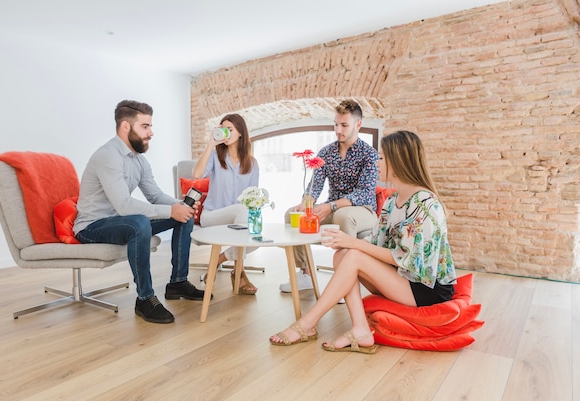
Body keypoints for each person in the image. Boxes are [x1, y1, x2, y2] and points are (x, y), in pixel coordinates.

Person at [269, 130, 456, 353]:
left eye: (382, 158)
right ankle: (360, 328)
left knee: (354, 253)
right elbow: (378, 241)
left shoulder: (425, 205)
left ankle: (307, 323)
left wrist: (354, 243)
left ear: (399, 161)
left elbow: (406, 260)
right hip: (403, 277)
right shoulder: (393, 199)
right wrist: (346, 243)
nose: (377, 163)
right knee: (342, 254)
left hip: (426, 288)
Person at [73, 99, 208, 324]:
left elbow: (155, 196)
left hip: (120, 220)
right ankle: (145, 298)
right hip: (92, 226)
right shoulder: (108, 156)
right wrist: (170, 210)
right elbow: (124, 206)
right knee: (139, 223)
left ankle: (177, 282)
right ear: (126, 126)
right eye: (145, 126)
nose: (151, 132)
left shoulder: (139, 161)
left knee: (183, 216)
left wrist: (179, 207)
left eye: (150, 126)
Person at [280, 99, 379, 292]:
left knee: (344, 215)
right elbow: (314, 187)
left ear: (358, 124)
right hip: (333, 207)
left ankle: (345, 282)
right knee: (291, 215)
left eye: (344, 125)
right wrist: (304, 204)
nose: (338, 130)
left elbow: (364, 192)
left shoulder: (369, 154)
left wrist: (332, 206)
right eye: (336, 124)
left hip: (363, 210)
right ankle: (304, 274)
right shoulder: (326, 152)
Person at [192, 114, 260, 295]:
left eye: (229, 129)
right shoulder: (215, 157)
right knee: (242, 211)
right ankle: (240, 273)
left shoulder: (252, 164)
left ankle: (219, 260)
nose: (225, 133)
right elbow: (197, 174)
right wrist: (210, 145)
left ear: (240, 133)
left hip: (238, 219)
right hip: (212, 216)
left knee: (257, 238)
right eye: (222, 128)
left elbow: (253, 198)